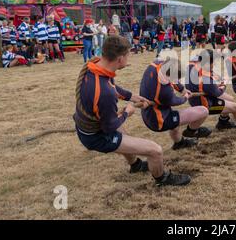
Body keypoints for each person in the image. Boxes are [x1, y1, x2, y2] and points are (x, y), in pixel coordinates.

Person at [73, 36, 191, 186]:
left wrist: (133, 97)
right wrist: (127, 112)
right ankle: (162, 178)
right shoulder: (104, 93)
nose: (129, 58)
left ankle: (135, 165)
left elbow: (113, 87)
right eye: (129, 55)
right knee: (155, 151)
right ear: (120, 58)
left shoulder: (95, 65)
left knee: (125, 137)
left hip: (87, 126)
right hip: (96, 135)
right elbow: (109, 127)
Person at [139, 56, 209, 148]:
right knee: (203, 111)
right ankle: (192, 131)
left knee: (175, 125)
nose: (178, 80)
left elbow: (173, 80)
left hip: (149, 113)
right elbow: (177, 101)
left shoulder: (156, 64)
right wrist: (185, 97)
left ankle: (179, 143)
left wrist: (182, 89)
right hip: (159, 121)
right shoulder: (164, 92)